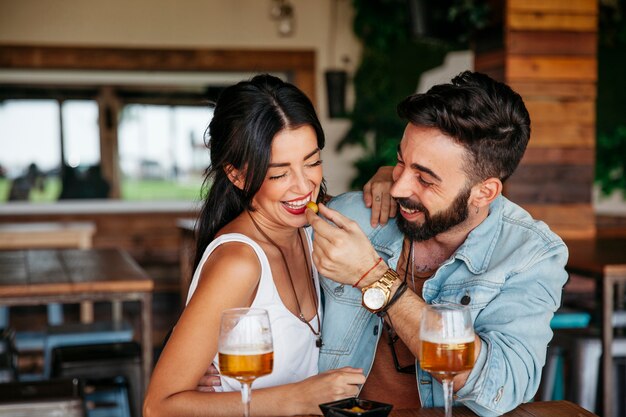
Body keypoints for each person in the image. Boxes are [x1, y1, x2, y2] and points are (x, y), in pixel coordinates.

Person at [305, 71, 568, 416]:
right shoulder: (353, 217)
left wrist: (374, 279)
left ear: (484, 192)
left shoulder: (530, 255)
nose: (398, 189)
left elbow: (498, 388)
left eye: (425, 179)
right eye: (400, 161)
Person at [143, 74, 365, 417]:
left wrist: (382, 179)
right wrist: (299, 397)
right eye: (279, 174)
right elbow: (158, 407)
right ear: (238, 176)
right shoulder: (239, 262)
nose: (304, 186)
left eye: (312, 162)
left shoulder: (308, 231)